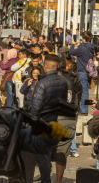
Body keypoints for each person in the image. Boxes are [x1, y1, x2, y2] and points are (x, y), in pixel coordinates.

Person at [30, 54, 68, 183]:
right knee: (46, 154)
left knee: (42, 155)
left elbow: (36, 107)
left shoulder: (42, 83)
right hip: (55, 120)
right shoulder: (63, 81)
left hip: (43, 122)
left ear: (45, 67)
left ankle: (46, 180)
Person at [52, 59, 81, 183]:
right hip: (69, 119)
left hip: (53, 118)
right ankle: (58, 180)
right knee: (61, 153)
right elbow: (77, 102)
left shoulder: (52, 79)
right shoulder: (76, 81)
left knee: (46, 151)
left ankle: (46, 178)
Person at [69, 31, 97, 115]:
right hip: (89, 71)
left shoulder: (82, 48)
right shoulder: (92, 47)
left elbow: (71, 52)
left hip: (82, 71)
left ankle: (84, 110)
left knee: (84, 91)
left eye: (81, 37)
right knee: (86, 91)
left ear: (84, 38)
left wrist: (73, 44)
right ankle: (86, 108)